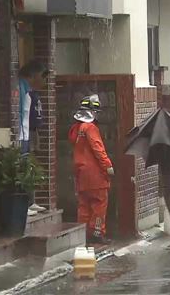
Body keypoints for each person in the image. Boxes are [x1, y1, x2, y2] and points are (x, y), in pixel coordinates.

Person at [68, 94, 115, 245]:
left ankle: (83, 234)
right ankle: (96, 233)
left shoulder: (75, 129)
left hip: (80, 173)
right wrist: (108, 166)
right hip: (95, 175)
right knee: (99, 204)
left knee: (83, 205)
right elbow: (98, 149)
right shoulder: (90, 128)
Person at [18, 59, 48, 216]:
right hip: (21, 135)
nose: (44, 81)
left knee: (27, 165)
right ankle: (25, 203)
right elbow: (20, 112)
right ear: (34, 75)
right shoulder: (21, 87)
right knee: (22, 167)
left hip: (26, 134)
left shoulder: (31, 91)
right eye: (43, 77)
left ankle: (29, 201)